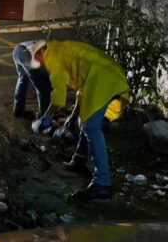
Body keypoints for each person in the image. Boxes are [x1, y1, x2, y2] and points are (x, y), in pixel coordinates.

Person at [30, 40, 130, 202]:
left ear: (41, 52)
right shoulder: (62, 49)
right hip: (105, 76)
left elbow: (59, 95)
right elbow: (81, 90)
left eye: (38, 60)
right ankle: (79, 160)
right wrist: (72, 117)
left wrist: (46, 118)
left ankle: (102, 182)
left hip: (103, 79)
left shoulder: (53, 57)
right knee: (85, 121)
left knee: (91, 128)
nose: (40, 64)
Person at [12, 40, 52, 121]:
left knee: (23, 79)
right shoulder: (53, 54)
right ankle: (43, 116)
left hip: (18, 49)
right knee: (42, 84)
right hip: (26, 55)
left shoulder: (49, 47)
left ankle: (18, 110)